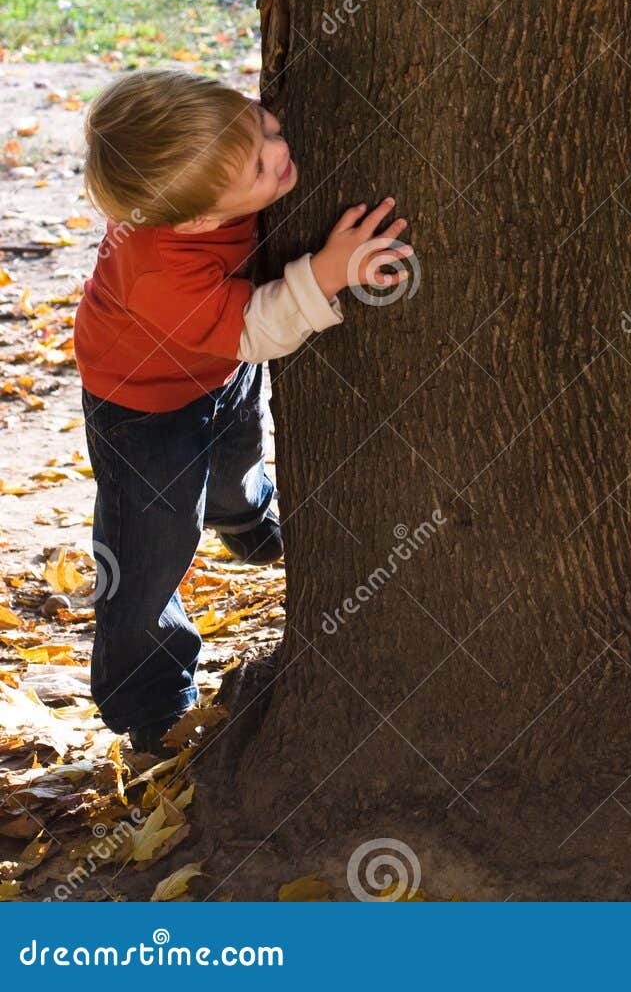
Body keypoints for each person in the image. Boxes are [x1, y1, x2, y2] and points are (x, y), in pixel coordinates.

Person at [73, 69, 412, 757]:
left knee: (236, 456)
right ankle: (150, 699)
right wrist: (325, 273)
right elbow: (256, 328)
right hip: (143, 409)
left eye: (262, 124)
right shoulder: (159, 272)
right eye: (261, 161)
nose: (279, 146)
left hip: (214, 367)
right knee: (150, 547)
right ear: (199, 219)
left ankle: (248, 518)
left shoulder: (199, 174)